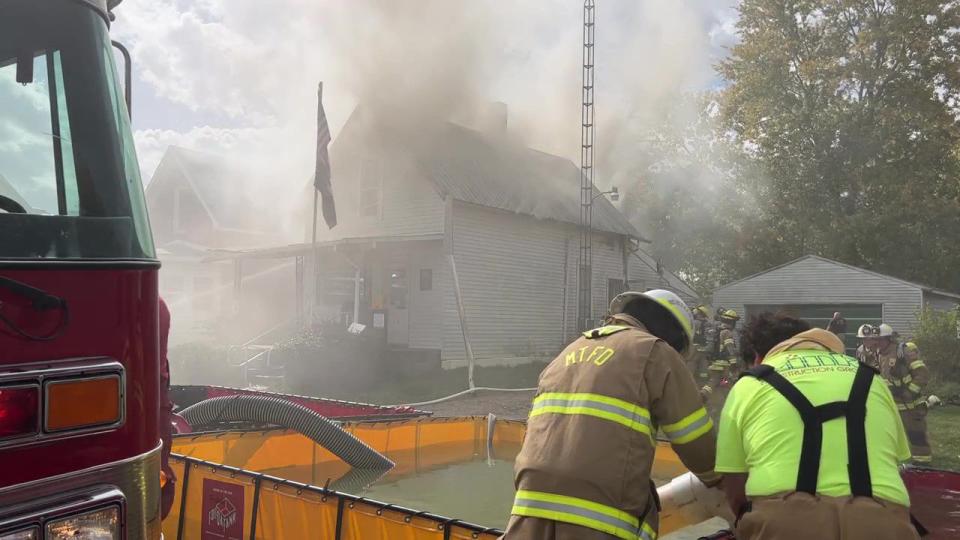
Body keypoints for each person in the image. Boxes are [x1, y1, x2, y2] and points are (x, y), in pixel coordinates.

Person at [503, 290, 722, 540]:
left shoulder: (566, 354)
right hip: (598, 519)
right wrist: (722, 481)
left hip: (527, 510)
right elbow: (696, 441)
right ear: (673, 335)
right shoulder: (654, 352)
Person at [716, 313, 920, 540]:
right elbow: (896, 462)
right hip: (884, 522)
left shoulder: (750, 384)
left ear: (757, 357)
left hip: (785, 523)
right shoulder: (871, 378)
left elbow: (734, 485)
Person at [872, 324, 932, 464]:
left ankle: (922, 462)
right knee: (891, 434)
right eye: (876, 340)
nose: (877, 343)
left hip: (910, 405)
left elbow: (923, 374)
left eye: (880, 339)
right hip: (891, 403)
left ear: (889, 339)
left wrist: (909, 392)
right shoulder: (879, 354)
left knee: (916, 433)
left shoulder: (903, 352)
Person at [691, 305, 717, 380]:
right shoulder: (708, 324)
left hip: (695, 347)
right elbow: (711, 336)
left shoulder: (694, 323)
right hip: (705, 348)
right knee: (703, 364)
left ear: (699, 313)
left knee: (692, 363)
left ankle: (690, 378)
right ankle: (703, 380)